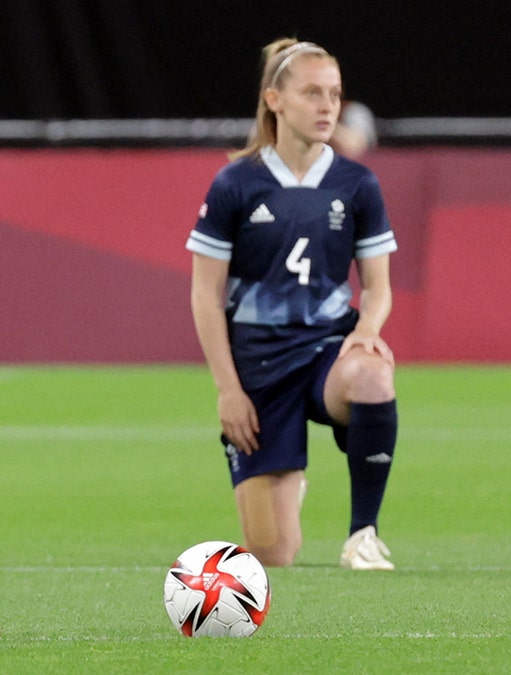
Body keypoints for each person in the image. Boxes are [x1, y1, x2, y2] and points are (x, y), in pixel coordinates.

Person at [186, 39, 399, 571]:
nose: (328, 106)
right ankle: (286, 478)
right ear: (275, 99)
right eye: (312, 93)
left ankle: (363, 534)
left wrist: (367, 328)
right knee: (272, 554)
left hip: (327, 351)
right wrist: (228, 391)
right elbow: (205, 296)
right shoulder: (237, 183)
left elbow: (377, 287)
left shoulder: (357, 183)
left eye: (335, 94)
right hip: (259, 371)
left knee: (372, 376)